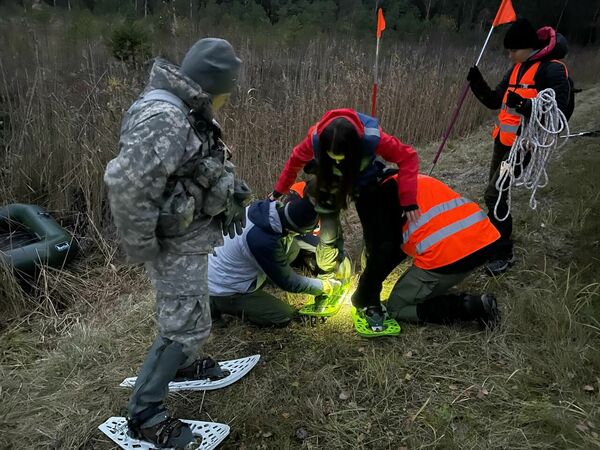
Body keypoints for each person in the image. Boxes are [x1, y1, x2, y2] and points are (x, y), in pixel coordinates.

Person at [104, 38, 248, 449]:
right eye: (226, 91)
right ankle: (145, 413)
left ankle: (180, 369)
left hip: (190, 234)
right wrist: (142, 246)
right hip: (174, 241)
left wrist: (231, 194)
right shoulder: (164, 117)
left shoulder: (186, 107)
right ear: (210, 83)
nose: (225, 100)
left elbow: (195, 161)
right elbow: (125, 184)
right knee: (184, 327)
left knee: (191, 315)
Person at [269, 108, 420, 330]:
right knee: (328, 233)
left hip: (364, 181)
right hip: (328, 180)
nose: (337, 159)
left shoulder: (373, 139)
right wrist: (278, 191)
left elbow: (408, 156)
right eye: (332, 156)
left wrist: (408, 200)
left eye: (341, 157)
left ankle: (369, 291)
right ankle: (330, 279)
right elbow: (294, 161)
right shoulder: (316, 138)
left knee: (375, 237)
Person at [467, 18, 572, 275]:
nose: (509, 54)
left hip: (524, 146)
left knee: (495, 193)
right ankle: (492, 241)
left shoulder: (552, 70)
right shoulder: (515, 69)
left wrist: (525, 106)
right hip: (503, 142)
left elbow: (557, 113)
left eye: (513, 50)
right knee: (495, 192)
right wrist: (476, 83)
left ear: (528, 47)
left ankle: (503, 253)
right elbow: (495, 101)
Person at [377, 174, 500, 327]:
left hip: (451, 256)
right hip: (484, 237)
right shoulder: (417, 178)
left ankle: (472, 306)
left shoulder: (381, 198)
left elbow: (384, 253)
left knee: (395, 307)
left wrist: (367, 293)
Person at [208, 195, 340, 327]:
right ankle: (215, 304)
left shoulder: (268, 210)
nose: (302, 235)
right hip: (225, 287)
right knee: (283, 315)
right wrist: (323, 286)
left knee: (292, 247)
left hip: (222, 264)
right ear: (290, 229)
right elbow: (289, 283)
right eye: (301, 232)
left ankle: (270, 276)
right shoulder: (262, 241)